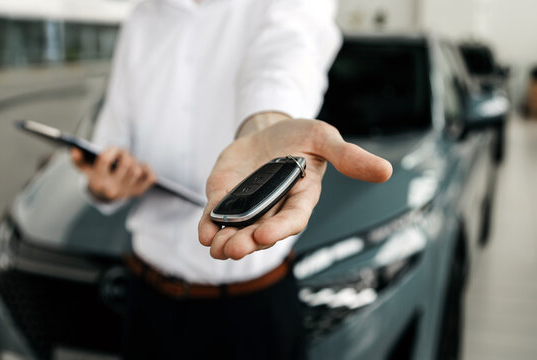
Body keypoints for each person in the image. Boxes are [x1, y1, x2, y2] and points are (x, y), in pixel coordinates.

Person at [71, 0, 392, 359]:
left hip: (249, 311)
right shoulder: (144, 17)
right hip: (145, 300)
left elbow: (287, 54)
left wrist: (267, 122)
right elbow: (112, 142)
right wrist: (105, 185)